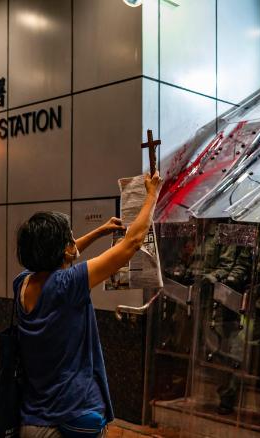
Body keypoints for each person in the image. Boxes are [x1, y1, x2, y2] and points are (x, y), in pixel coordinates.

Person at [13, 172, 160, 438]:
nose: (73, 242)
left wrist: (101, 231)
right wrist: (152, 195)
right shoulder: (67, 283)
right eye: (70, 239)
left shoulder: (22, 284)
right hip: (75, 414)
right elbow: (132, 242)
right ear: (62, 249)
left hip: (33, 420)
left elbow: (60, 254)